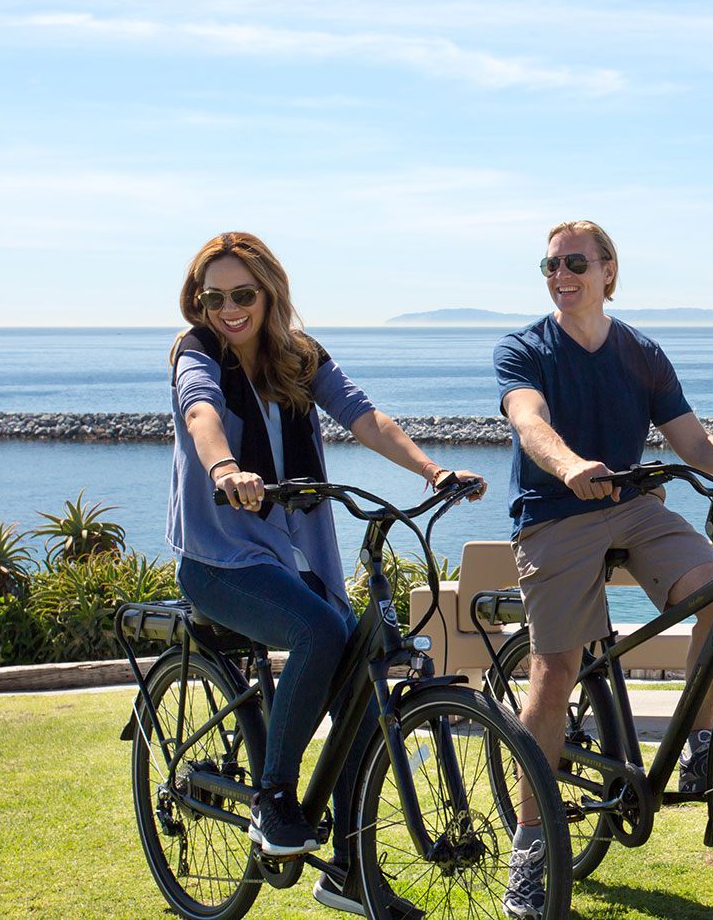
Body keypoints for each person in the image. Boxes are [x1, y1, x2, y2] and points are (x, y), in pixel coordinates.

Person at [493, 219, 713, 919]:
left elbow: (696, 444)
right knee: (557, 669)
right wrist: (571, 465)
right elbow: (528, 422)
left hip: (633, 506)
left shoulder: (641, 352)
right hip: (553, 512)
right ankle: (531, 850)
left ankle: (700, 740)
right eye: (548, 263)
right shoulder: (523, 348)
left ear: (608, 269)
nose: (559, 273)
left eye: (574, 261)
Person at [167, 231, 480, 919]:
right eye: (211, 296)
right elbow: (201, 413)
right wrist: (225, 470)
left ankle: (351, 869)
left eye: (242, 294)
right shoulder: (198, 355)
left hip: (297, 555)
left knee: (361, 679)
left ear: (269, 293)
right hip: (220, 559)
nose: (227, 308)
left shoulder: (301, 359)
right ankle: (275, 798)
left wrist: (435, 471)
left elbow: (364, 415)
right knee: (318, 629)